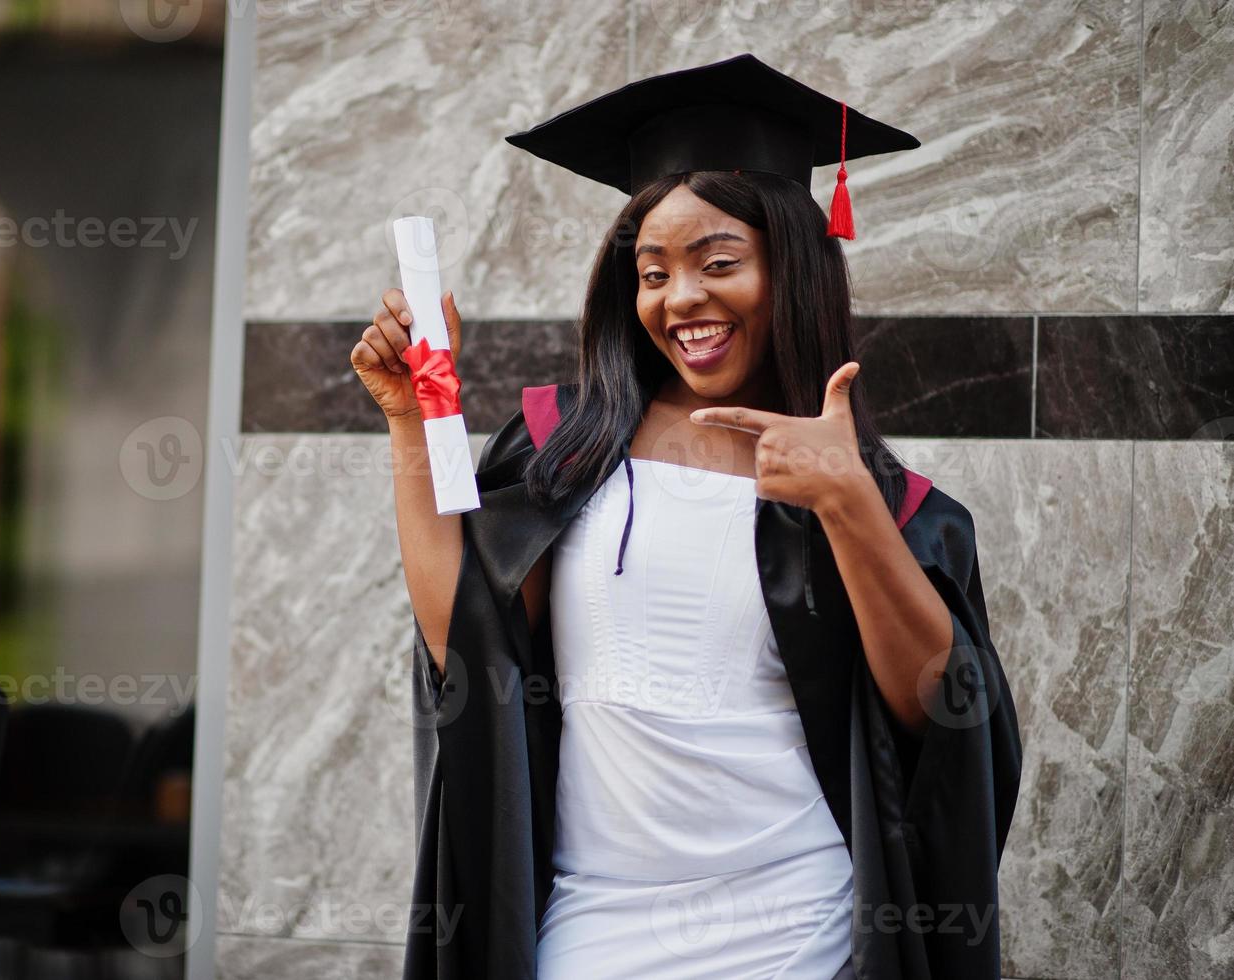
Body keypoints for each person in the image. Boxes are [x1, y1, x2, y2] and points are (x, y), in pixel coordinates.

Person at [351, 52, 1023, 980]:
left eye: (719, 263)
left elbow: (943, 719)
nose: (681, 299)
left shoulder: (889, 504)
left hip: (795, 936)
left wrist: (847, 505)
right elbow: (465, 638)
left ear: (794, 266)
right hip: (593, 928)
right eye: (653, 271)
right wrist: (411, 412)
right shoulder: (564, 448)